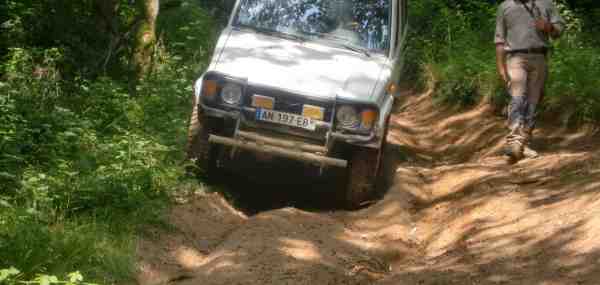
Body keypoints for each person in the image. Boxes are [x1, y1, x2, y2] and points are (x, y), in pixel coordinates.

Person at [494, 0, 564, 160]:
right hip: (515, 57)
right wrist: (501, 67)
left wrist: (549, 27)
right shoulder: (505, 6)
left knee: (534, 101)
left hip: (539, 56)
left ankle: (522, 143)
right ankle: (513, 142)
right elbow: (499, 40)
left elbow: (559, 29)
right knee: (518, 97)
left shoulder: (545, 3)